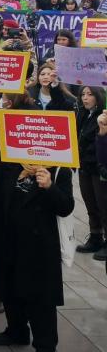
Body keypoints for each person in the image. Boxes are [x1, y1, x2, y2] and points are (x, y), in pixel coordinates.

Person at [0, 159, 73, 351]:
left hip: (38, 249)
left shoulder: (59, 170)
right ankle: (17, 331)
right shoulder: (12, 165)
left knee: (40, 301)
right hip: (8, 242)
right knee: (10, 290)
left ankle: (45, 345)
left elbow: (66, 206)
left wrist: (50, 187)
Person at [75, 86, 107, 259]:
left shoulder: (102, 116)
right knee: (90, 204)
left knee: (103, 204)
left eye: (90, 95)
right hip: (84, 166)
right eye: (83, 95)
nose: (85, 98)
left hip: (98, 168)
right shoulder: (82, 113)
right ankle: (95, 236)